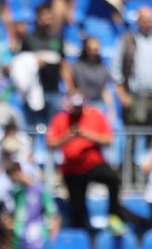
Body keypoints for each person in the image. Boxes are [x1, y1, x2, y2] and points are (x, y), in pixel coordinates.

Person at [46, 94, 118, 232]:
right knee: (77, 209)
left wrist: (86, 134)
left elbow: (108, 140)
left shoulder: (95, 115)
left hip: (93, 164)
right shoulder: (61, 119)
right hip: (72, 169)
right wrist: (69, 135)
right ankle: (84, 240)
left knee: (113, 179)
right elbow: (50, 143)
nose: (77, 110)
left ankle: (114, 216)